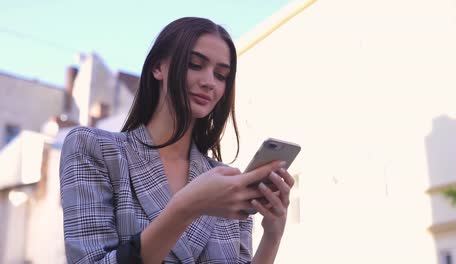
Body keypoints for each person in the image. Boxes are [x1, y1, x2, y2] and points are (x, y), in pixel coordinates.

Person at [59, 17, 295, 264]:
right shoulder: (94, 148)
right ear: (158, 67)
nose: (209, 82)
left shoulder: (227, 180)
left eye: (221, 75)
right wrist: (185, 207)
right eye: (195, 64)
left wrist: (273, 235)